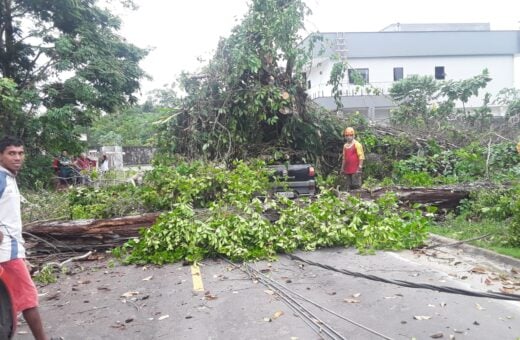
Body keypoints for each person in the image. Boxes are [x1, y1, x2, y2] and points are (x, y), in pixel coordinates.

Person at [0, 136, 49, 340]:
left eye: (20, 153)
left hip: (12, 250)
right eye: (11, 153)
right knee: (28, 298)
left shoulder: (9, 178)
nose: (17, 157)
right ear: (0, 155)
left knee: (10, 303)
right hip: (6, 252)